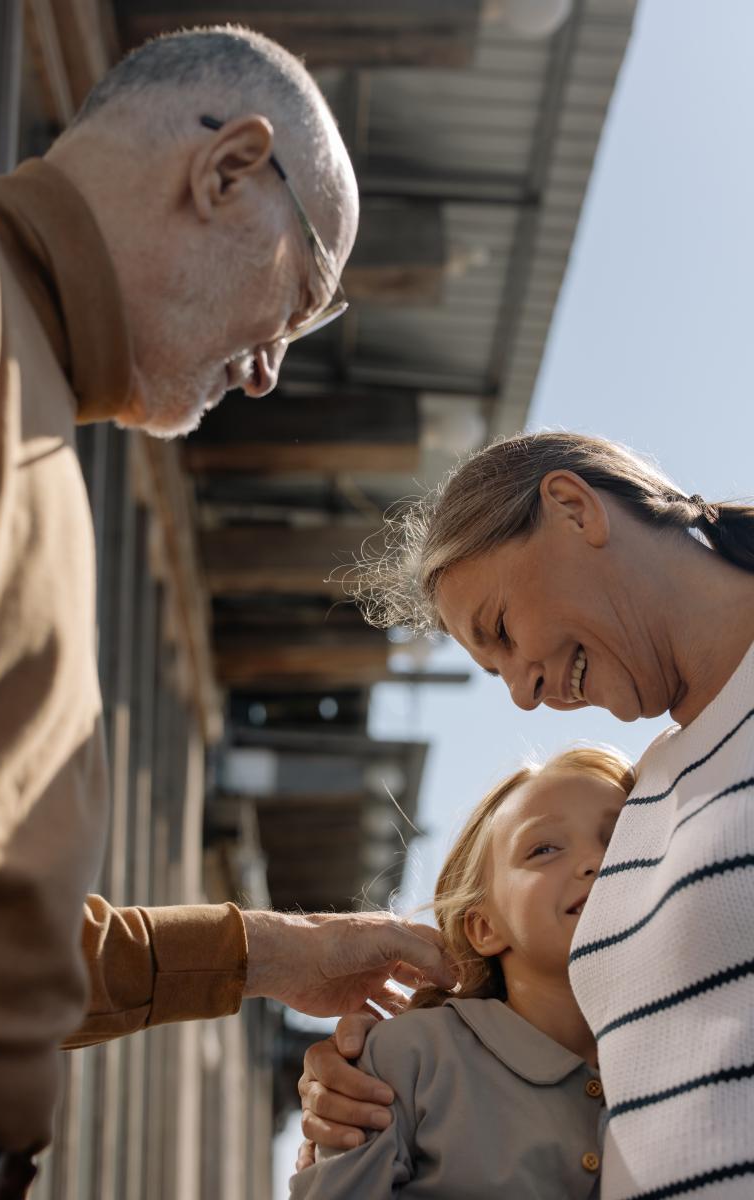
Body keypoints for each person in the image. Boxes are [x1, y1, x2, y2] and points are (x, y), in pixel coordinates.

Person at [0, 25, 453, 1198]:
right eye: (302, 291)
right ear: (228, 170)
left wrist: (277, 954)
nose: (273, 368)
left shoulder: (32, 404)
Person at [297, 431, 754, 1200]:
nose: (521, 692)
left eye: (502, 631)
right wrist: (385, 1083)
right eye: (493, 668)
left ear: (574, 509)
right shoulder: (647, 798)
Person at [290, 746, 634, 1198]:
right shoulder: (406, 1058)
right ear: (484, 927)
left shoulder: (693, 1051)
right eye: (544, 849)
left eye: (621, 838)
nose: (596, 861)